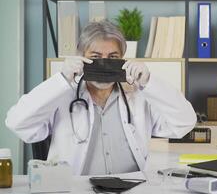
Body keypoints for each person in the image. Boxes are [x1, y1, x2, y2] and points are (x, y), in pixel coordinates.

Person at [5, 21, 196, 175]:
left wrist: (149, 82)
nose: (104, 64)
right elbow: (17, 123)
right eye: (95, 57)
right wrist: (61, 80)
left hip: (132, 187)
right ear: (81, 58)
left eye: (113, 57)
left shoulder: (138, 98)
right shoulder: (62, 97)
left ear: (124, 59)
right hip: (75, 188)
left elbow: (184, 123)